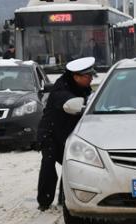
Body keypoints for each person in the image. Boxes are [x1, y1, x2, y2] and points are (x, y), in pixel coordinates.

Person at [36, 57, 95, 211]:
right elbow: (73, 103)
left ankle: (64, 199)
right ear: (76, 76)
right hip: (50, 134)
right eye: (88, 76)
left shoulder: (82, 88)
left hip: (66, 135)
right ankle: (44, 201)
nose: (91, 79)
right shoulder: (61, 88)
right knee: (48, 167)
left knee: (70, 166)